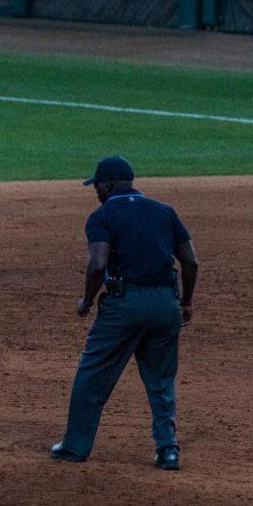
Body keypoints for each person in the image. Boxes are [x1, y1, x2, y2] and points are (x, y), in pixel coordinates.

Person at [50, 156, 198, 470]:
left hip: (125, 306)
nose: (95, 192)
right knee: (161, 380)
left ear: (107, 184)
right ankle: (168, 450)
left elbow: (98, 264)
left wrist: (87, 301)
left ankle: (75, 447)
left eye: (97, 186)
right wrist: (186, 302)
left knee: (93, 374)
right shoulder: (164, 211)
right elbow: (190, 261)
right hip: (165, 304)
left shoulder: (102, 216)